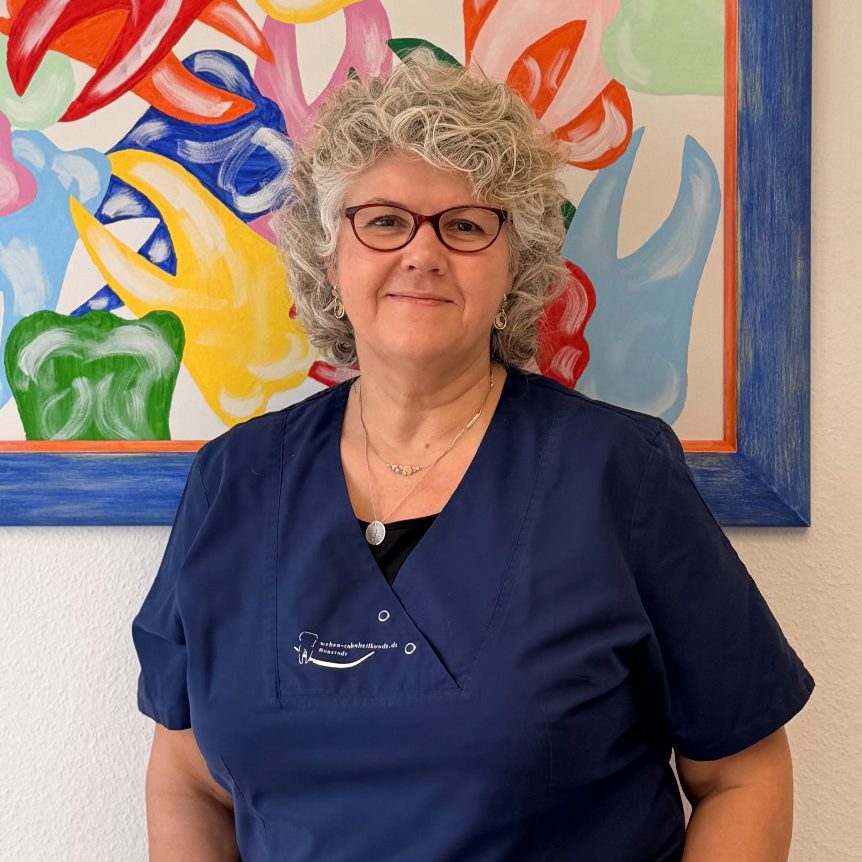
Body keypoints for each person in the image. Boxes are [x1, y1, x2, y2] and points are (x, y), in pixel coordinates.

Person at [132, 54, 815, 862]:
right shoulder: (234, 483)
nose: (421, 253)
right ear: (329, 253)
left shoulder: (620, 475)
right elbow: (188, 779)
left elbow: (742, 773)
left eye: (463, 225)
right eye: (383, 220)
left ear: (514, 265)